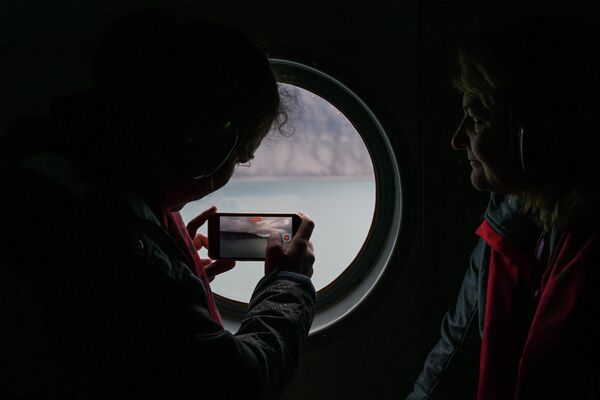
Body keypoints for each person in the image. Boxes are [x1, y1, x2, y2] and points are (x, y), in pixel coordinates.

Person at [0, 12, 316, 399]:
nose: (226, 174)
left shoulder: (63, 171)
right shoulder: (104, 234)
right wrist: (289, 285)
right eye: (239, 157)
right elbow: (236, 383)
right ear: (209, 144)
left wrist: (173, 276)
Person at [407, 17, 600, 400]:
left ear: (533, 132)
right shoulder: (507, 222)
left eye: (477, 119)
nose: (457, 139)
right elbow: (454, 354)